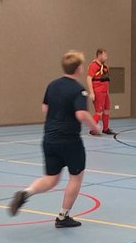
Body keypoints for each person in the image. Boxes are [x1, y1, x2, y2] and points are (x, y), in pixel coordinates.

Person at [8, 50, 102, 228]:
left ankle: (26, 193)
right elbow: (81, 114)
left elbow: (45, 108)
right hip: (70, 141)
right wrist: (95, 127)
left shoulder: (52, 85)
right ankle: (63, 217)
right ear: (79, 68)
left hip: (49, 139)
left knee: (51, 178)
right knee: (76, 177)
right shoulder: (78, 90)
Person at [86, 48, 113, 135]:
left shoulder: (105, 66)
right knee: (99, 112)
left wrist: (107, 91)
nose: (106, 57)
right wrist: (92, 92)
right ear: (99, 55)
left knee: (106, 109)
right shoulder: (93, 66)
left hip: (105, 92)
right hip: (98, 91)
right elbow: (89, 78)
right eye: (105, 55)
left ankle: (105, 128)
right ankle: (92, 129)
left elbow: (106, 80)